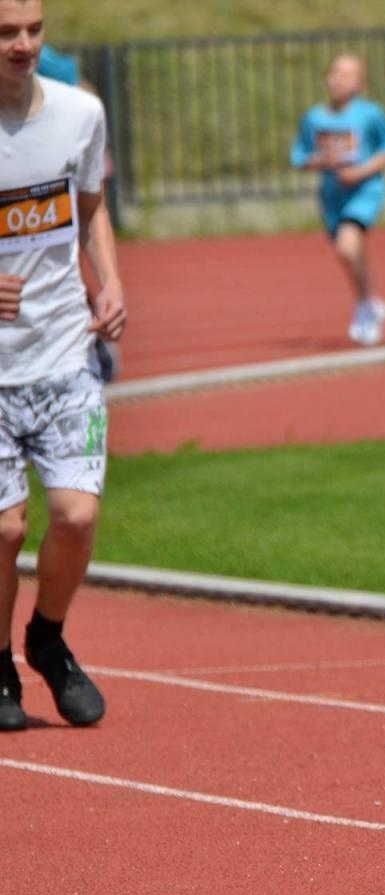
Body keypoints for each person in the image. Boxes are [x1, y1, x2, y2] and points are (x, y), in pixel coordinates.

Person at [0, 0, 127, 732]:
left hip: (64, 354)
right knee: (5, 531)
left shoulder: (80, 113)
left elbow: (93, 206)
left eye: (34, 30)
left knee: (75, 515)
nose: (23, 45)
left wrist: (107, 280)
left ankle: (46, 637)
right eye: (7, 32)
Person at [292, 53, 385, 347]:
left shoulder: (371, 114)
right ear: (327, 77)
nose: (340, 80)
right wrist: (319, 161)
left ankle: (365, 308)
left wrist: (361, 171)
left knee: (347, 246)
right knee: (350, 254)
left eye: (349, 75)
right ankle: (370, 301)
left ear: (361, 83)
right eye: (336, 72)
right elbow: (300, 156)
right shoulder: (315, 118)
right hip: (332, 195)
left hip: (365, 190)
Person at [34, 39, 119, 381]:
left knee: (53, 264)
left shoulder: (37, 56)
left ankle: (88, 338)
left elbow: (81, 89)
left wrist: (97, 149)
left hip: (45, 174)